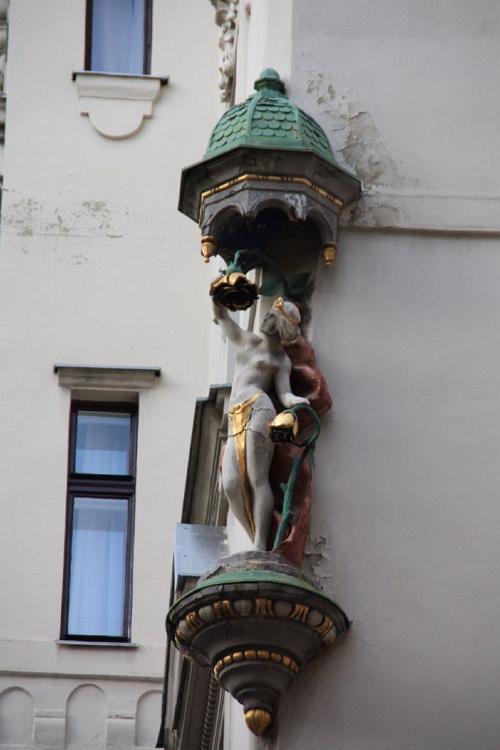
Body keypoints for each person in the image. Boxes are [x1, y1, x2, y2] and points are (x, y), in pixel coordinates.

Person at [213, 297, 309, 550]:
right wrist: (218, 295)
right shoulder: (249, 341)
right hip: (235, 415)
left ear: (281, 325)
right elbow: (222, 317)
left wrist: (296, 401)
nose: (265, 317)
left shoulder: (281, 360)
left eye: (272, 315)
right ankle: (255, 537)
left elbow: (285, 393)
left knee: (257, 477)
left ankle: (259, 544)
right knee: (230, 483)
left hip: (259, 407)